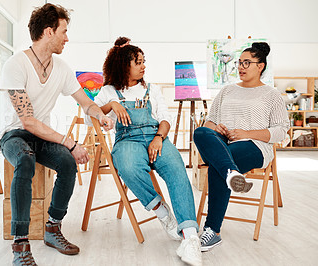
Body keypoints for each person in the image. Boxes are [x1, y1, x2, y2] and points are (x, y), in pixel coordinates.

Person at [0, 4, 113, 266]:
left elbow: (86, 102)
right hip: (14, 135)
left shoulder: (61, 68)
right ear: (49, 32)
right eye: (64, 31)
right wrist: (70, 142)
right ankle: (20, 244)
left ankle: (53, 227)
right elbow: (27, 122)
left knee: (67, 162)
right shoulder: (15, 65)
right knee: (25, 161)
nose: (67, 37)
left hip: (41, 137)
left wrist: (99, 114)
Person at [91, 37, 202, 266]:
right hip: (127, 140)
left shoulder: (152, 89)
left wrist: (159, 138)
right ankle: (163, 212)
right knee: (129, 167)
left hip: (156, 137)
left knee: (176, 168)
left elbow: (165, 117)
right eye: (138, 62)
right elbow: (90, 116)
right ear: (124, 65)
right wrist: (111, 105)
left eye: (143, 61)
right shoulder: (108, 91)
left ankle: (190, 238)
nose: (143, 66)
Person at [193, 42, 289, 252]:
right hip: (223, 144)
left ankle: (213, 230)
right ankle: (232, 175)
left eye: (247, 62)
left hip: (254, 147)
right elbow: (209, 122)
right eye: (240, 62)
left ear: (260, 66)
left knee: (221, 165)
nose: (241, 67)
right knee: (200, 132)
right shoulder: (227, 91)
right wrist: (216, 129)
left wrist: (246, 134)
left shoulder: (271, 95)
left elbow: (281, 131)